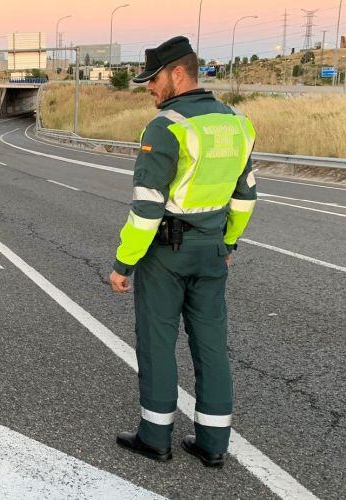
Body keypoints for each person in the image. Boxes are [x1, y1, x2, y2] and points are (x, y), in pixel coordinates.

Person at [108, 36, 257, 467]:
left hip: (166, 255)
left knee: (157, 343)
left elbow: (147, 207)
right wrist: (227, 243)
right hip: (213, 251)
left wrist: (124, 263)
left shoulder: (167, 126)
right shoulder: (237, 124)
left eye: (153, 80)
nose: (149, 89)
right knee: (211, 345)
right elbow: (245, 199)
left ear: (177, 73)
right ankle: (213, 445)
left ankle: (155, 437)